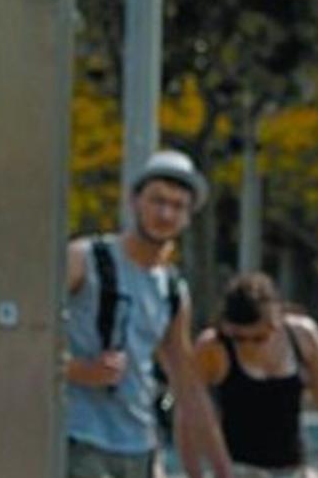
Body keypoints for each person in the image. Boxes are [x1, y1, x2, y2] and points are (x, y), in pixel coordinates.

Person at [65, 149, 234, 478]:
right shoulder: (85, 259)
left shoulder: (172, 289)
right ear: (135, 201)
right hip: (80, 439)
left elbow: (186, 385)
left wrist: (221, 468)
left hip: (140, 446)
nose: (166, 214)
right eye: (157, 201)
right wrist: (79, 370)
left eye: (178, 206)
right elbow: (29, 338)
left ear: (188, 217)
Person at [193, 272, 318, 478]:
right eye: (239, 338)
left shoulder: (304, 336)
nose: (249, 346)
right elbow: (190, 413)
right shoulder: (212, 346)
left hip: (294, 469)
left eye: (259, 338)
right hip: (237, 468)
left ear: (275, 321)